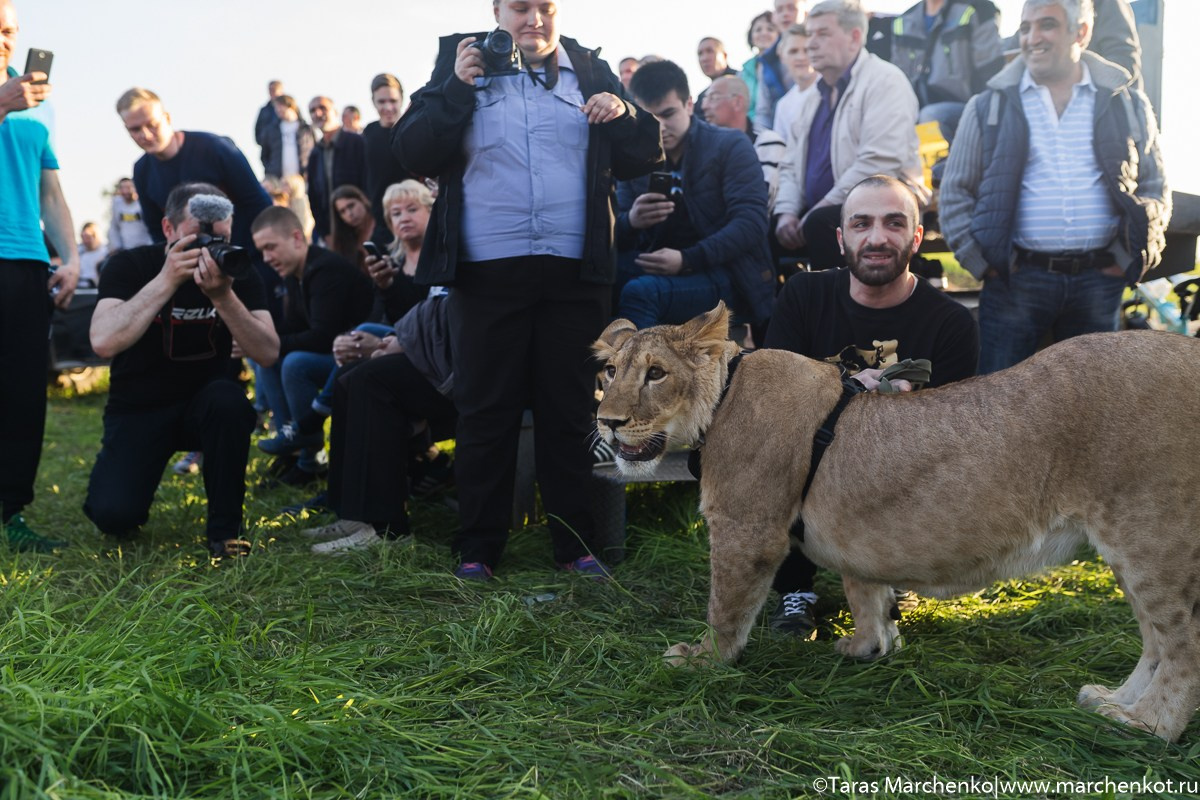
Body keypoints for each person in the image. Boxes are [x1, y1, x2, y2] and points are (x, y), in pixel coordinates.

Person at [393, 0, 663, 580]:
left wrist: (620, 113)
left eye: (545, 7)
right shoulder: (461, 60)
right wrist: (457, 91)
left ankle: (573, 546)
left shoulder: (589, 68)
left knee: (568, 412)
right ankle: (479, 549)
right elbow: (412, 150)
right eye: (520, 7)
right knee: (485, 412)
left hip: (573, 274)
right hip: (488, 274)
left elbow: (647, 149)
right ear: (496, 11)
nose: (534, 18)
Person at [764, 174, 979, 637]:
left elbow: (953, 439)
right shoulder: (802, 296)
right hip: (811, 460)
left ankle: (892, 573)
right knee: (774, 453)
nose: (877, 238)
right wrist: (844, 384)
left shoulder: (951, 324)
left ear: (916, 237)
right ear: (842, 239)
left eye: (894, 223)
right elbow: (773, 394)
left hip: (898, 472)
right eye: (861, 224)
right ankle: (796, 589)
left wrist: (903, 412)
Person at [940, 0, 1168, 375]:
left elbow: (1155, 186)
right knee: (1001, 410)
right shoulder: (988, 105)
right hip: (1016, 282)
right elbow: (955, 193)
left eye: (1047, 25)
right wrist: (985, 264)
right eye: (1026, 27)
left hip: (1100, 281)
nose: (1032, 38)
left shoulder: (1126, 101)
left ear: (1081, 32)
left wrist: (1134, 255)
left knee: (1092, 412)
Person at [84, 183, 279, 559]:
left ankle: (226, 533)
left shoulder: (236, 270)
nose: (209, 249)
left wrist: (223, 297)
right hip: (139, 408)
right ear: (168, 229)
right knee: (114, 516)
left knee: (230, 402)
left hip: (205, 405)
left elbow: (268, 352)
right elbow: (103, 341)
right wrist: (167, 280)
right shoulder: (131, 265)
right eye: (197, 238)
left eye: (219, 238)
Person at [0, 0, 79, 552]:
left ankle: (11, 511)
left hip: (27, 260)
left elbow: (49, 187)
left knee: (23, 392)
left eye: (13, 30)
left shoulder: (35, 100)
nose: (8, 39)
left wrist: (70, 256)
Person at [618, 61, 774, 334]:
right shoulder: (634, 158)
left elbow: (751, 223)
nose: (660, 127)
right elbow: (614, 228)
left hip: (729, 273)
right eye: (650, 118)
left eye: (668, 114)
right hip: (658, 266)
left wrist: (687, 259)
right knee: (596, 279)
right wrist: (631, 221)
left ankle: (637, 375)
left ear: (689, 104)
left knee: (640, 292)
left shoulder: (730, 145)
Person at [774, 0, 928, 270]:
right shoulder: (811, 97)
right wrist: (786, 213)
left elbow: (878, 164)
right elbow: (789, 166)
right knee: (764, 227)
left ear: (854, 37)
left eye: (822, 34)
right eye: (809, 34)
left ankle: (838, 310)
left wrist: (816, 210)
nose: (811, 44)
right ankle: (779, 311)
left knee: (822, 223)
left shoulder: (885, 81)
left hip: (886, 203)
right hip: (826, 209)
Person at [251, 206, 375, 484]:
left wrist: (271, 343)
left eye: (271, 247)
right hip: (336, 355)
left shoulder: (325, 269)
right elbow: (294, 328)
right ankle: (292, 451)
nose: (266, 258)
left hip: (364, 357)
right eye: (261, 250)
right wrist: (257, 340)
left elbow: (322, 336)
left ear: (297, 238)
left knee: (295, 364)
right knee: (267, 359)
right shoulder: (295, 272)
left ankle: (310, 462)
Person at [116, 88, 273, 256]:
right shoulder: (141, 171)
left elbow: (259, 204)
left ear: (167, 118)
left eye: (152, 125)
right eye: (135, 129)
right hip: (191, 268)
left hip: (244, 258)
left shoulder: (215, 148)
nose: (145, 135)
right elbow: (157, 230)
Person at [889, 0, 1005, 144]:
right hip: (916, 110)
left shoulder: (977, 9)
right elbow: (897, 82)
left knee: (930, 116)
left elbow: (992, 74)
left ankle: (939, 166)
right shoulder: (904, 21)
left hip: (970, 109)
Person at [701, 74, 786, 214]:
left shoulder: (767, 141)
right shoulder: (702, 147)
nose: (704, 106)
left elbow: (764, 200)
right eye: (705, 99)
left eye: (713, 98)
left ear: (737, 102)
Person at [363, 73, 415, 248]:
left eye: (393, 101)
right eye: (381, 102)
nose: (388, 107)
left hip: (414, 217)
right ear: (373, 102)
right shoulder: (369, 133)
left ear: (401, 99)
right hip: (382, 221)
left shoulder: (413, 128)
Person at [306, 95, 367, 245]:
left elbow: (368, 182)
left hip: (362, 228)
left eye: (322, 108)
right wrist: (325, 232)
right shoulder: (314, 154)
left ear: (335, 112)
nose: (317, 113)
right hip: (333, 235)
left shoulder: (356, 142)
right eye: (312, 110)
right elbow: (314, 197)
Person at [754, 0, 803, 133]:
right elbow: (763, 111)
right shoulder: (766, 62)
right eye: (780, 10)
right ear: (774, 16)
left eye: (791, 8)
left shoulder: (821, 48)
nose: (785, 14)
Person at [772, 24, 818, 142]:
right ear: (782, 57)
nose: (801, 57)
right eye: (793, 51)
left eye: (807, 50)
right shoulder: (783, 105)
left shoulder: (833, 90)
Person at [741, 11, 779, 131]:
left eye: (770, 29)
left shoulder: (786, 65)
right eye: (758, 30)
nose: (764, 33)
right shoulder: (743, 73)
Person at [328, 184, 376, 267]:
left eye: (351, 206)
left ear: (362, 200)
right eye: (342, 211)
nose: (349, 214)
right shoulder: (345, 241)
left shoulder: (382, 225)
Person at [695, 37, 739, 120]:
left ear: (724, 56)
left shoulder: (741, 80)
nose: (704, 58)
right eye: (700, 54)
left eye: (710, 51)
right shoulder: (702, 97)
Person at [107, 177, 153, 253]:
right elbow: (114, 227)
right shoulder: (117, 204)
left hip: (145, 247)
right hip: (127, 249)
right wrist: (116, 246)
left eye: (128, 188)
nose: (125, 191)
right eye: (122, 188)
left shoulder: (142, 203)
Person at [254, 80, 284, 172]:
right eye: (270, 90)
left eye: (274, 90)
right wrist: (264, 140)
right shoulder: (264, 110)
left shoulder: (290, 107)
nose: (272, 92)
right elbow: (257, 130)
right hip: (270, 151)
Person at [77, 222, 106, 287]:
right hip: (78, 288)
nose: (87, 239)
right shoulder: (77, 252)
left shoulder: (106, 253)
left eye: (92, 235)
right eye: (83, 236)